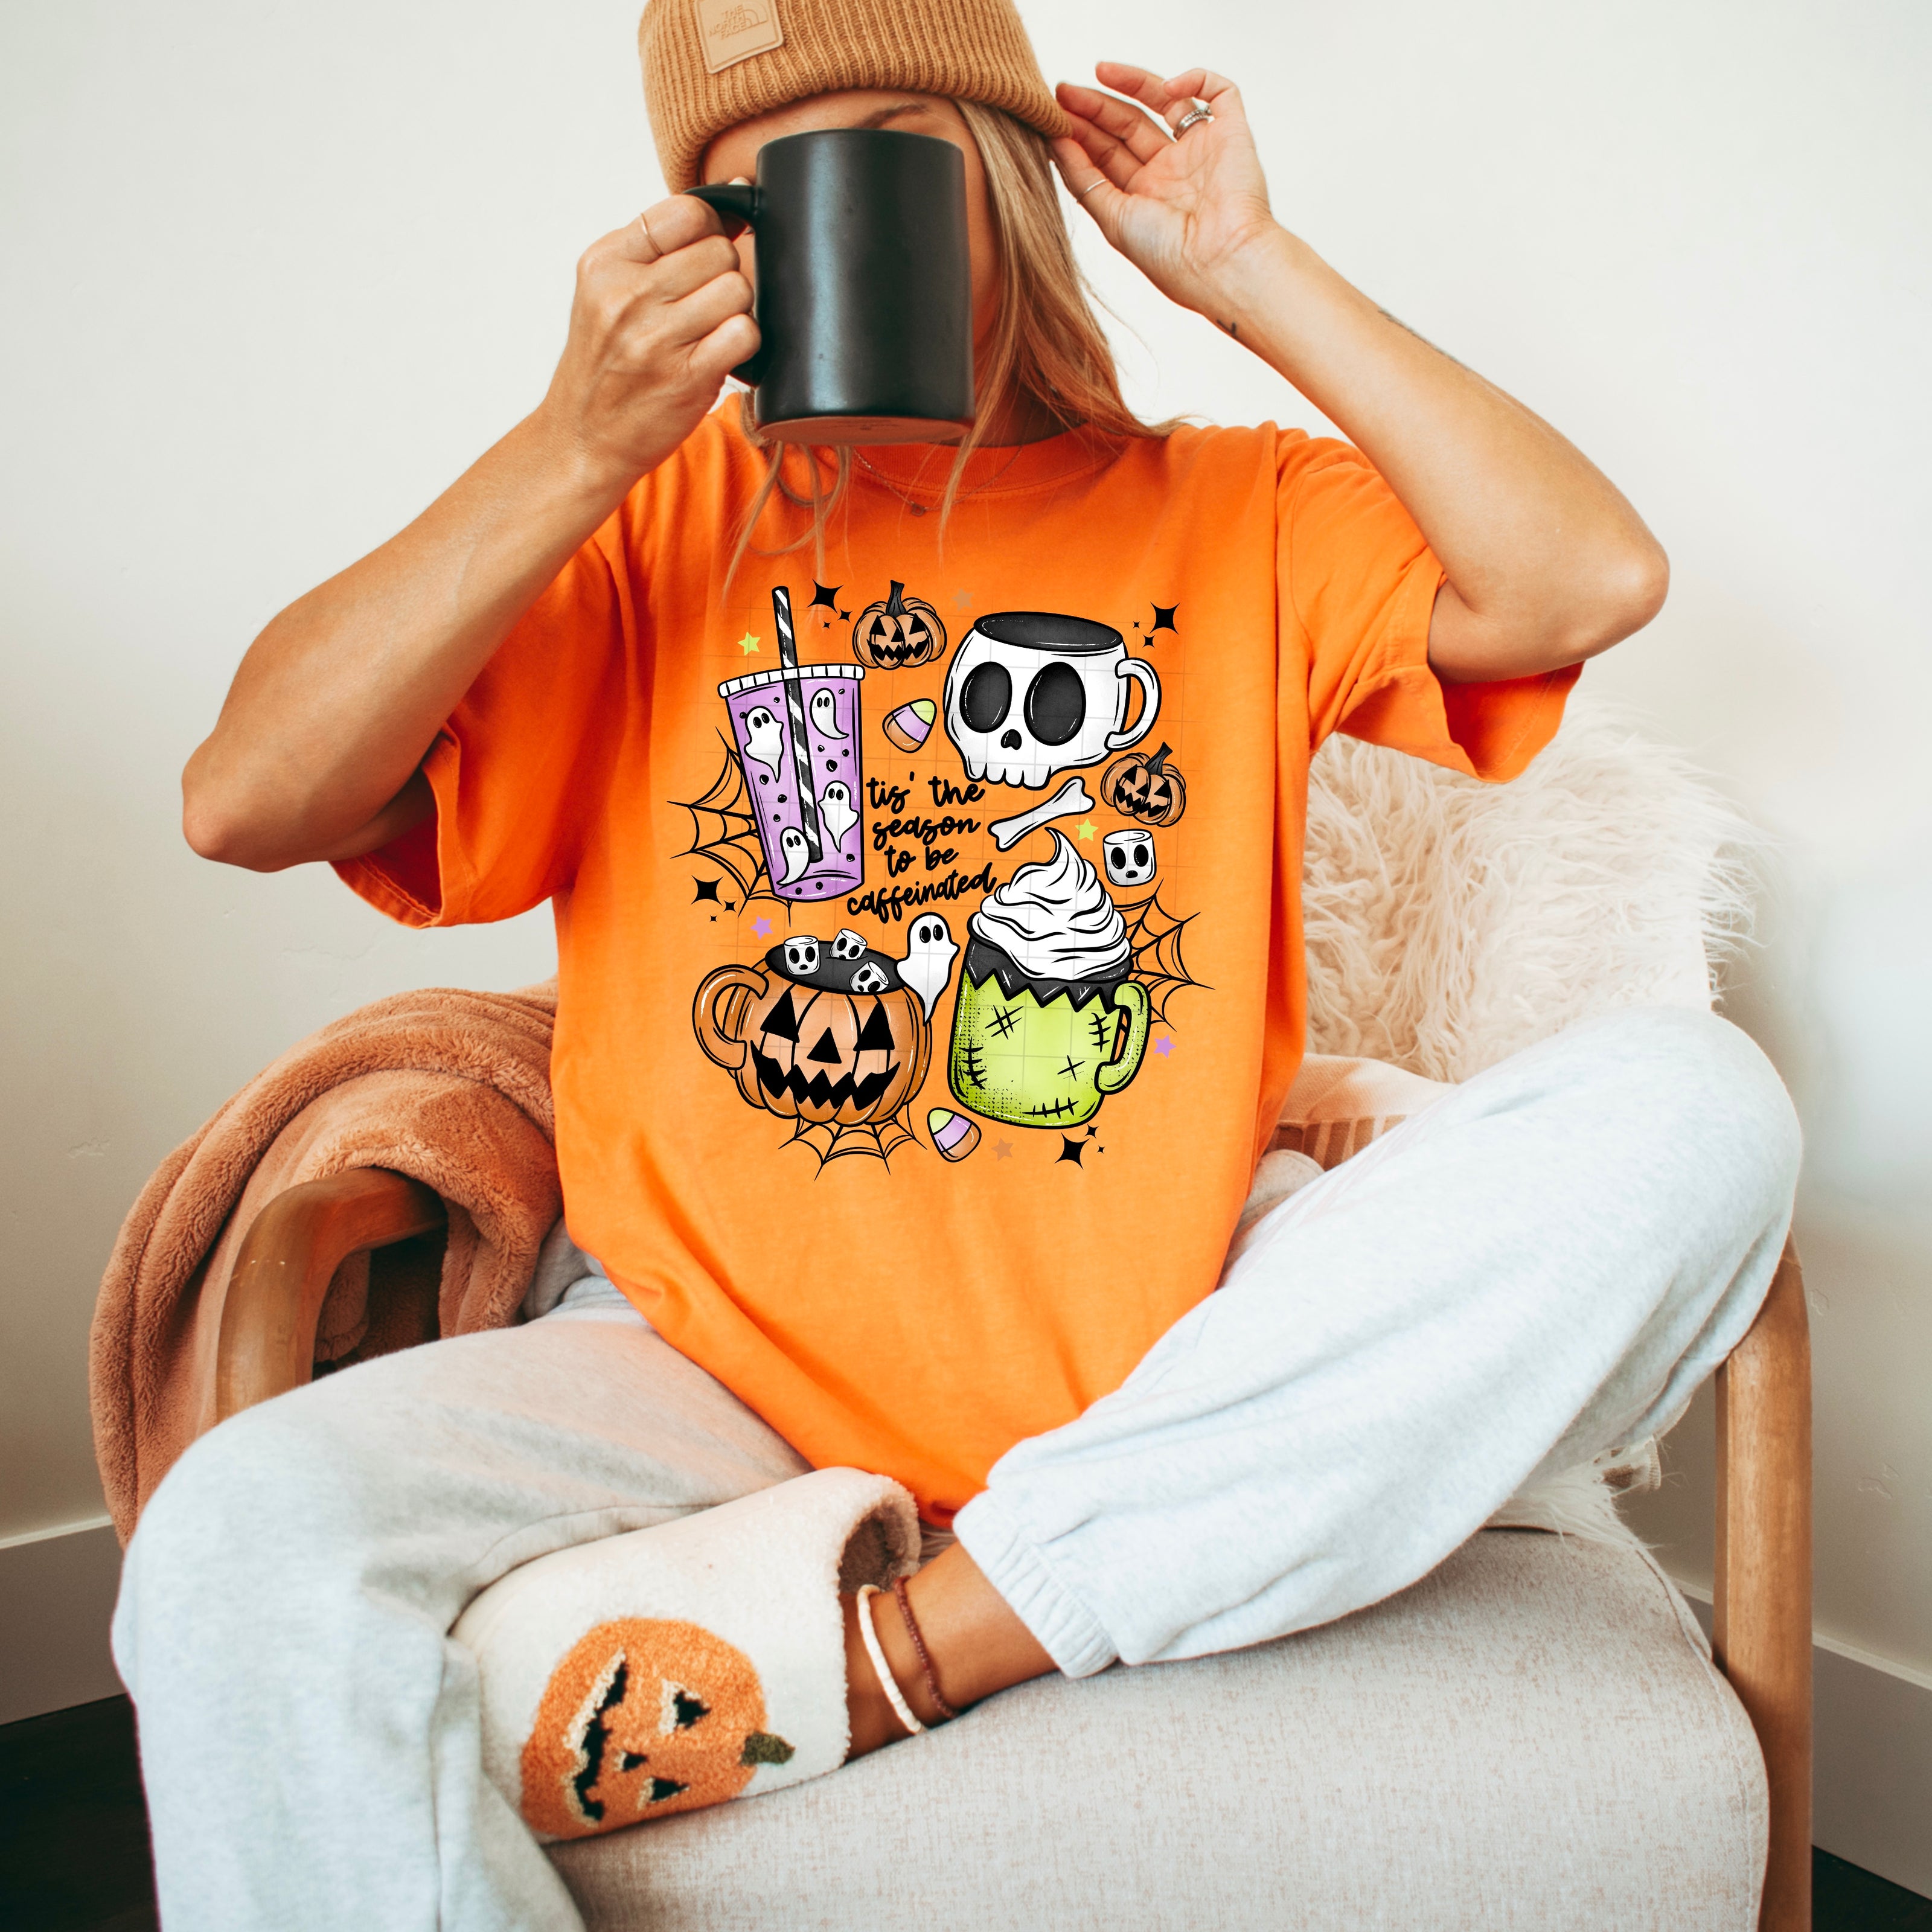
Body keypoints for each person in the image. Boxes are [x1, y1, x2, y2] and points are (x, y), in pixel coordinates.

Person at [115, 2, 1800, 1925]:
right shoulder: (640, 533)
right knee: (236, 1534)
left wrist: (1249, 266)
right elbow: (243, 798)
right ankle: (1035, 1585)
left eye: (889, 147)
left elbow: (1587, 577)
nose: (826, 216)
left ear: (1004, 169)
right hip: (696, 1369)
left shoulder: (1236, 512)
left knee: (1698, 1112)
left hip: (1168, 1355)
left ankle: (919, 1646)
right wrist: (573, 442)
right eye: (755, 194)